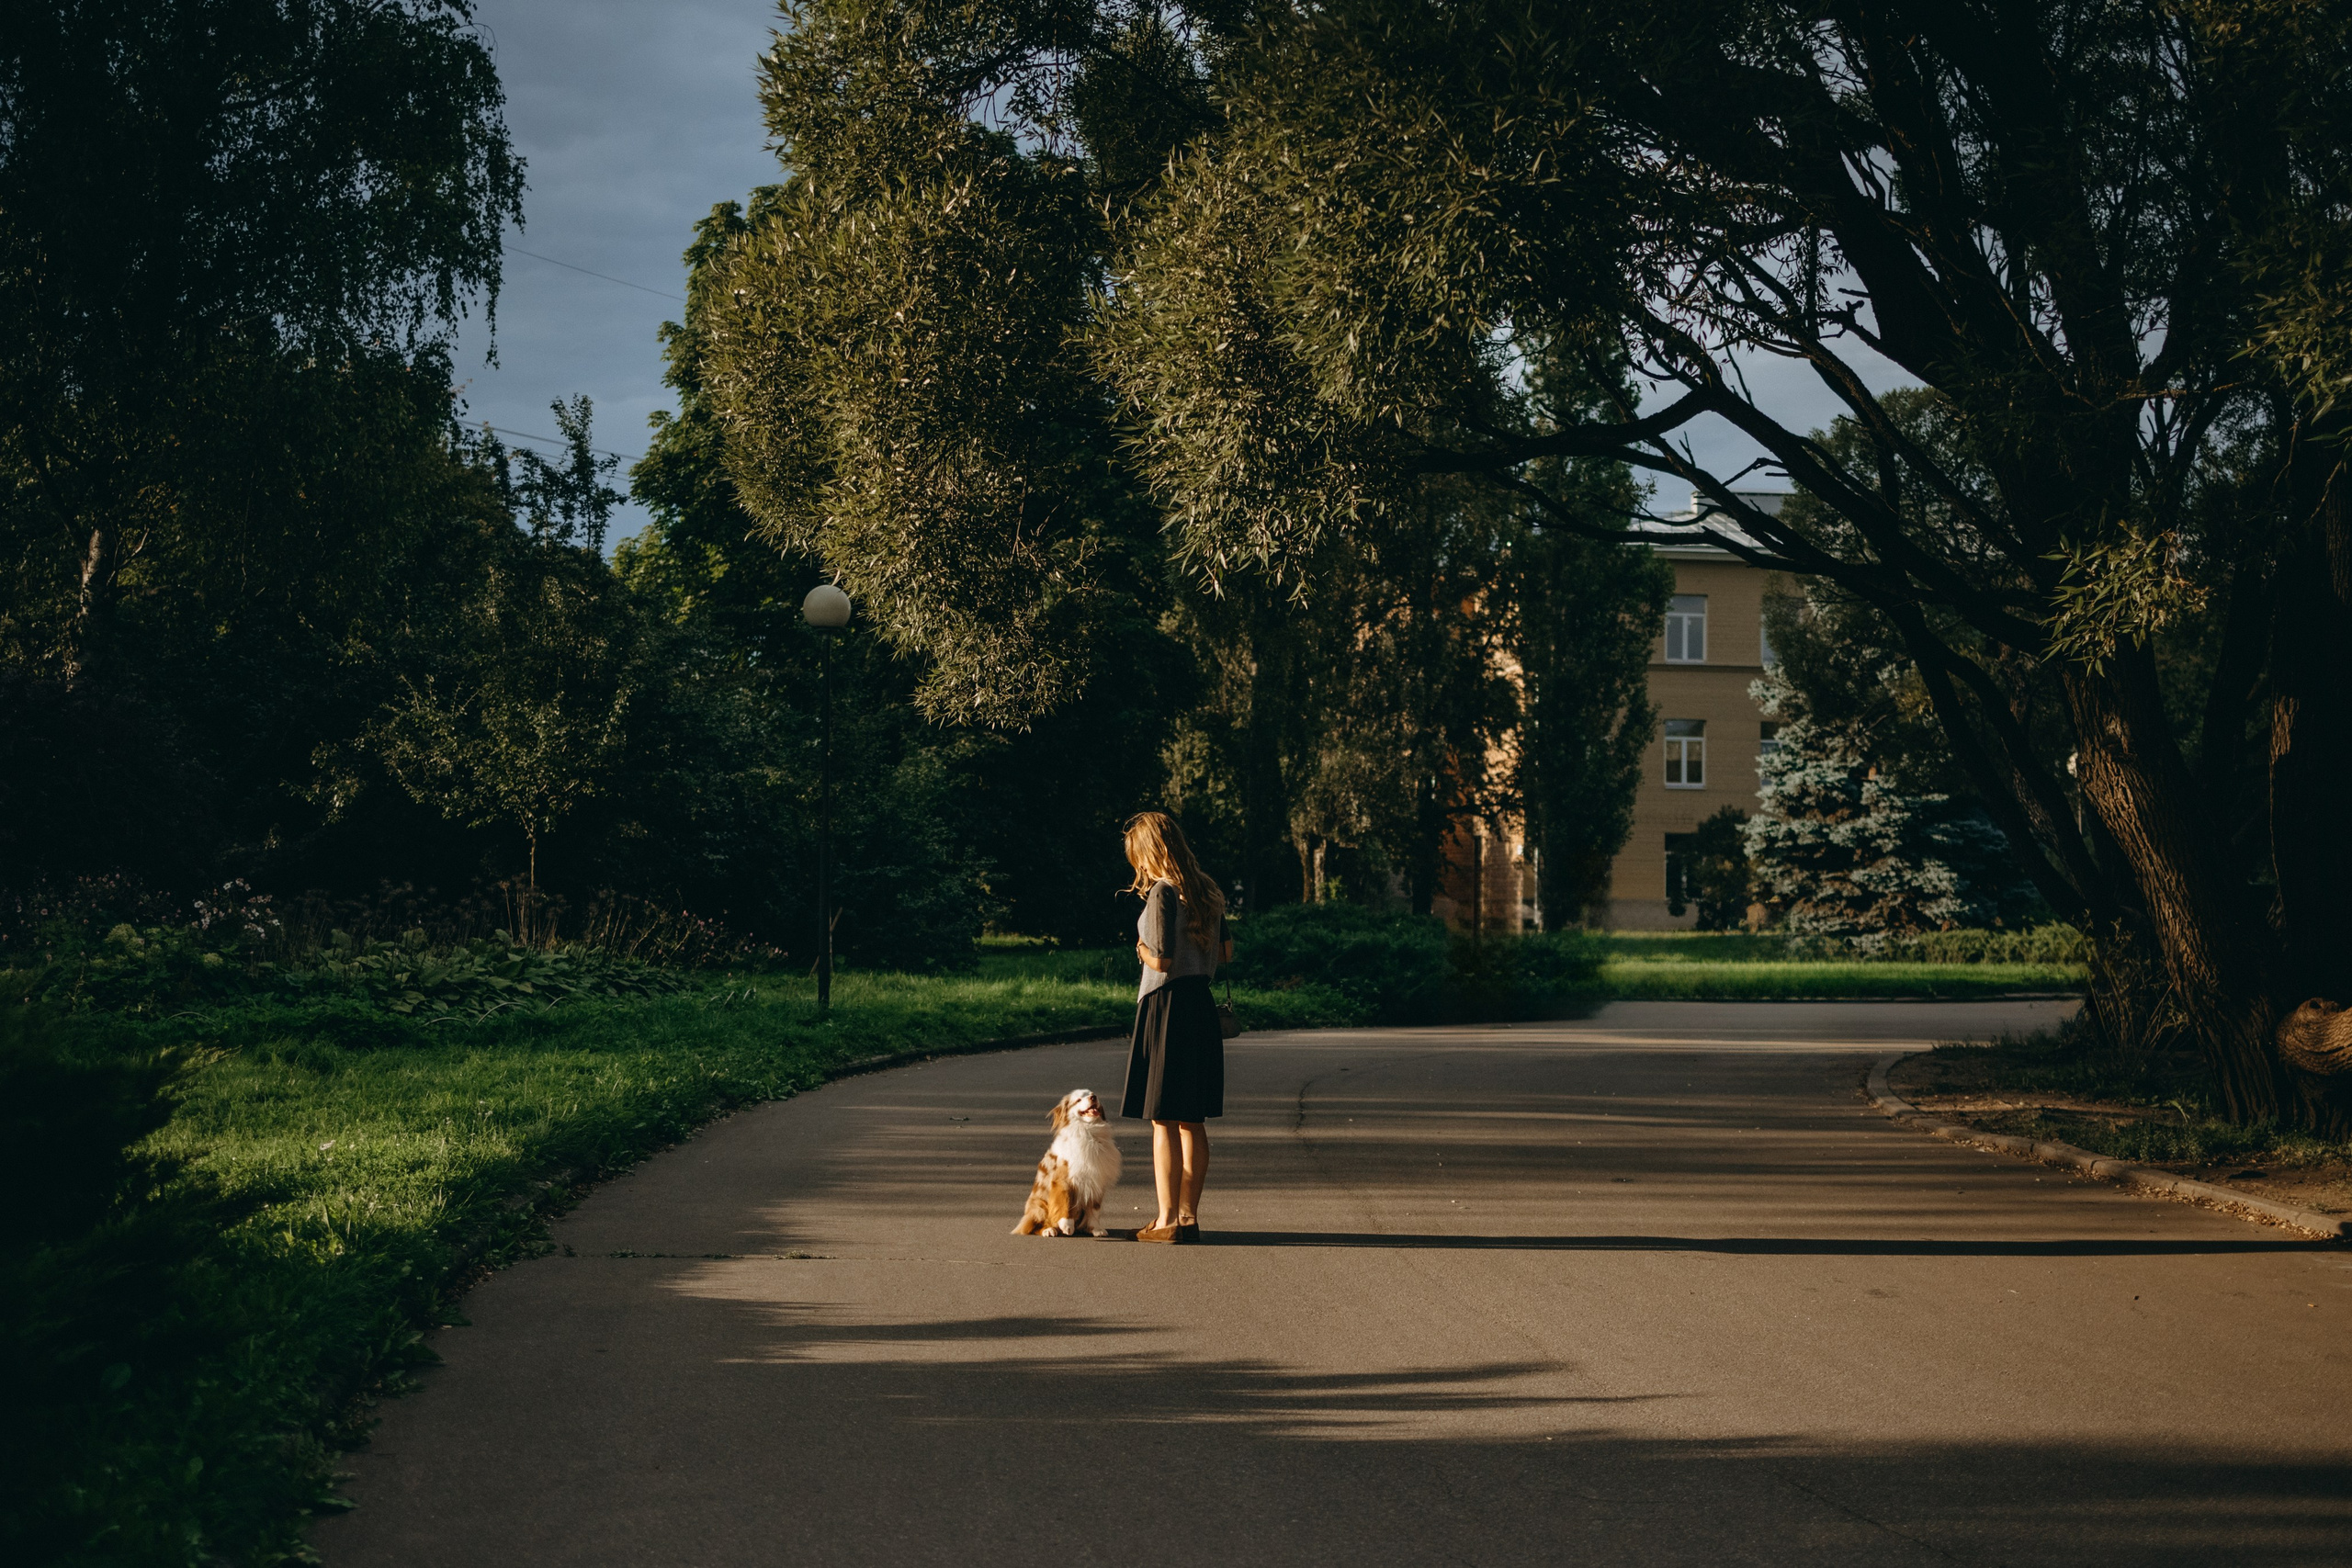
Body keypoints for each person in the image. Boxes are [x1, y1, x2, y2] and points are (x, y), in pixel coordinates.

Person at [1118, 811, 1231, 1244]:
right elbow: (1226, 953)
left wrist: (1141, 950)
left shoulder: (1163, 892)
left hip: (1165, 1008)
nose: (1138, 867)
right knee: (1192, 1120)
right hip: (1200, 1006)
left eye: (1137, 857)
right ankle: (1188, 1218)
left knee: (1162, 1120)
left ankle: (1165, 1220)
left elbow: (1162, 960)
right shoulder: (1206, 890)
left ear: (1150, 851)